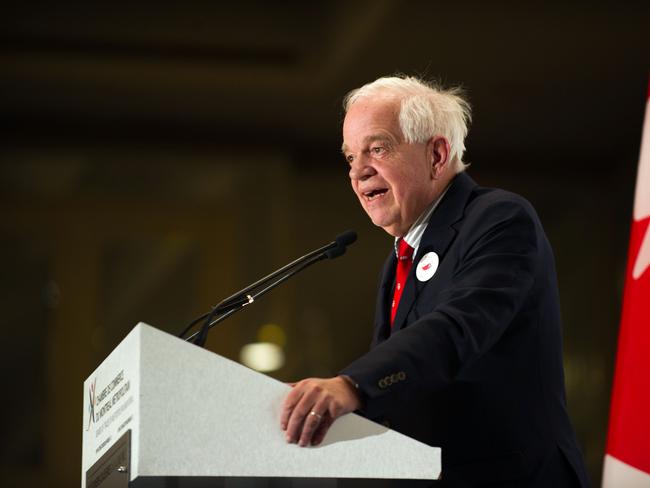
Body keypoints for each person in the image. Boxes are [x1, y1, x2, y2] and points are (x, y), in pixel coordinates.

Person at [280, 75, 590, 487]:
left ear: (437, 155)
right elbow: (406, 388)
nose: (359, 172)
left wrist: (352, 386)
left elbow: (456, 328)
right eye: (350, 157)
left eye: (377, 148)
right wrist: (316, 410)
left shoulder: (499, 219)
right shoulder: (401, 258)